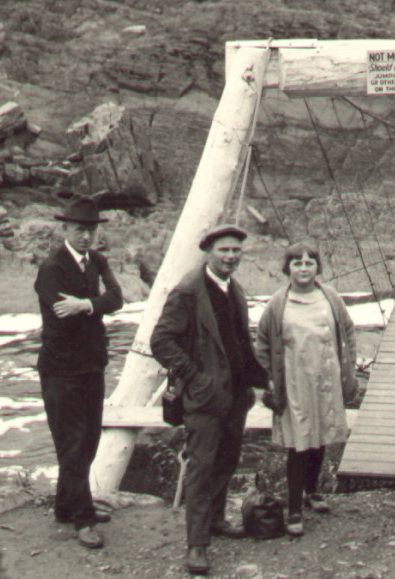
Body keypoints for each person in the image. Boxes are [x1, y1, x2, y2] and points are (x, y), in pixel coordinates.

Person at [150, 224, 268, 575]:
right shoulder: (188, 291)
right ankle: (196, 545)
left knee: (227, 459)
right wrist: (196, 378)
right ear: (208, 252)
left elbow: (239, 345)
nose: (231, 256)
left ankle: (215, 520)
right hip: (204, 398)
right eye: (224, 251)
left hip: (235, 395)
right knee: (201, 469)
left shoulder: (235, 289)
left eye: (236, 251)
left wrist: (262, 381)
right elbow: (161, 342)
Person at [35, 195, 123, 549]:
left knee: (87, 442)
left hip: (92, 365)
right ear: (65, 229)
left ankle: (64, 506)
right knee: (72, 444)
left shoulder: (97, 261)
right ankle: (83, 520)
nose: (86, 236)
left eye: (91, 230)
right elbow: (61, 313)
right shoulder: (52, 267)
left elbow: (117, 298)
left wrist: (87, 304)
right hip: (61, 370)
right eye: (79, 230)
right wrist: (95, 309)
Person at [255, 241, 357, 537]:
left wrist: (349, 369)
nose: (303, 267)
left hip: (326, 376)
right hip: (294, 381)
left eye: (309, 262)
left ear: (317, 267)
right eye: (297, 263)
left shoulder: (331, 297)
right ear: (287, 268)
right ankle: (295, 509)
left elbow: (348, 332)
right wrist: (268, 380)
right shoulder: (277, 303)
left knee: (321, 434)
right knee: (299, 443)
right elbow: (262, 343)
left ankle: (312, 491)